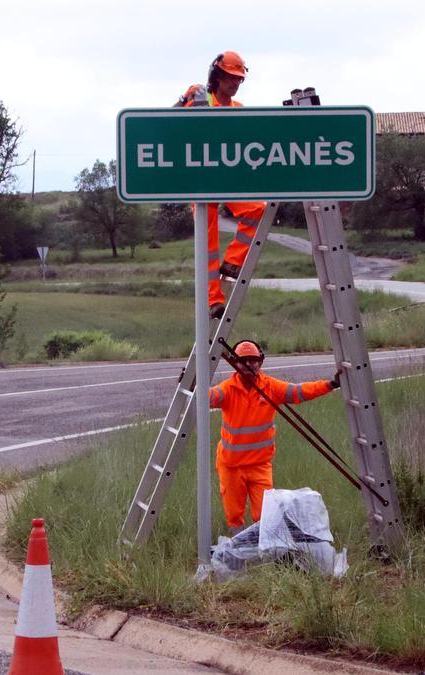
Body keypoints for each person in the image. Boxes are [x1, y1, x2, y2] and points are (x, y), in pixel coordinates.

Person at [208, 339, 340, 534]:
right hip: (231, 466)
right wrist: (195, 387)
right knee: (234, 517)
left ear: (260, 362)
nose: (249, 364)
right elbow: (209, 397)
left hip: (260, 465)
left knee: (265, 515)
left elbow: (298, 392)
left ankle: (264, 552)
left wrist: (330, 384)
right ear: (235, 363)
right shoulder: (228, 389)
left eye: (253, 360)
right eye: (244, 360)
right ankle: (238, 552)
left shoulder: (270, 386)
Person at [174, 51, 267, 318]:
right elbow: (168, 123)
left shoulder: (238, 110)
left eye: (238, 79)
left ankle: (234, 262)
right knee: (207, 241)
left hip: (227, 180)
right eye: (229, 77)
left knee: (257, 210)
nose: (234, 83)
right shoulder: (200, 98)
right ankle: (213, 299)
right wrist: (184, 102)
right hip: (199, 182)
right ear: (217, 76)